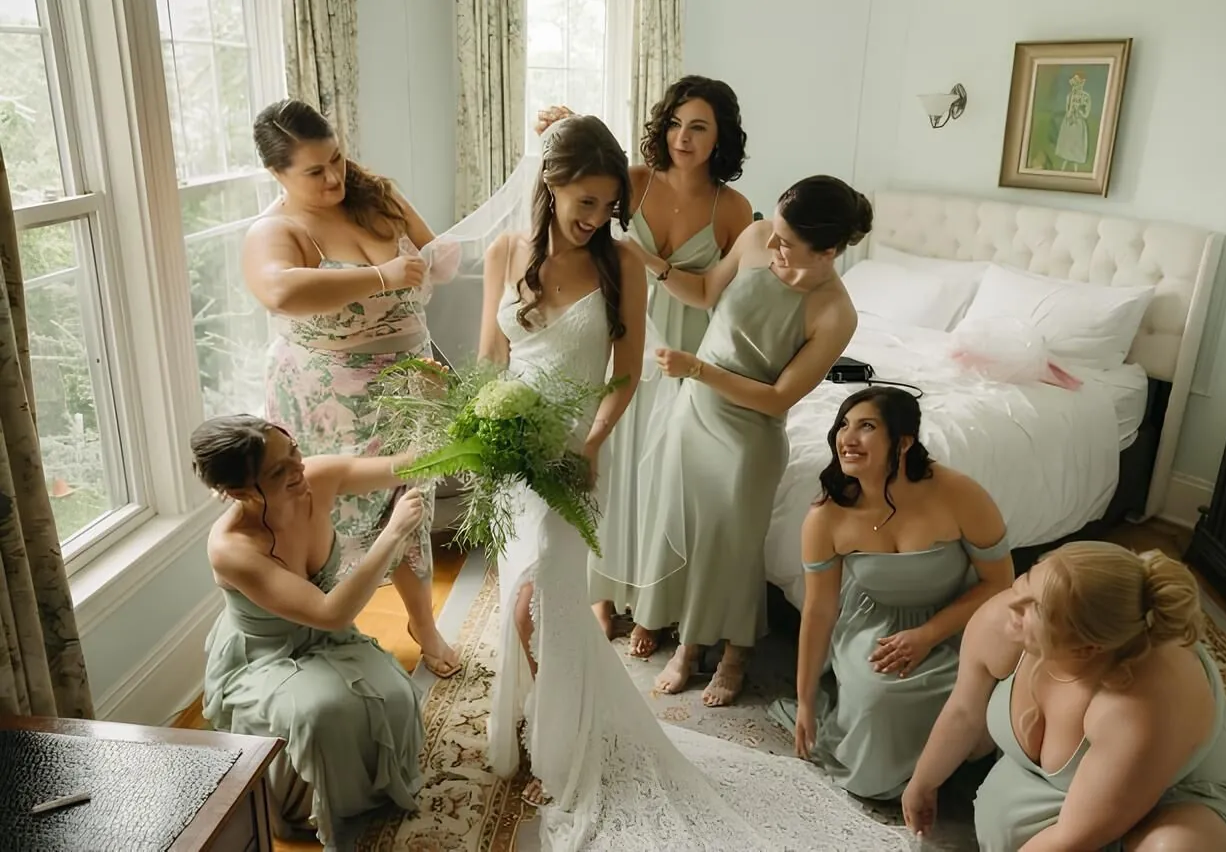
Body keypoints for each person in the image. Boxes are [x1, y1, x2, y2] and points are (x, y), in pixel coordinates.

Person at [482, 115, 909, 852]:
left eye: (606, 207)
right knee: (520, 586)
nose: (594, 219)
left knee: (541, 594)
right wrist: (479, 427)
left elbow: (628, 373)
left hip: (586, 455)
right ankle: (527, 718)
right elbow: (492, 356)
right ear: (549, 186)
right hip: (513, 456)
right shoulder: (505, 251)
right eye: (584, 202)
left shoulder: (621, 266)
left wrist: (590, 442)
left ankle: (562, 735)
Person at [624, 175, 869, 708]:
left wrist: (698, 369)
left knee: (732, 547)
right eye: (774, 231)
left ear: (827, 251)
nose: (771, 244)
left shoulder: (835, 312)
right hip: (695, 412)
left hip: (749, 434)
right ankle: (688, 646)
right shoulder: (758, 237)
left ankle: (737, 653)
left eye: (787, 241)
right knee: (685, 525)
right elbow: (707, 291)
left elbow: (780, 397)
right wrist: (647, 259)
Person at [532, 79, 755, 656]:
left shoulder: (731, 208)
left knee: (664, 478)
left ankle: (655, 606)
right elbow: (584, 195)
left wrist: (647, 259)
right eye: (676, 123)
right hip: (620, 334)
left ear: (720, 136)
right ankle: (602, 595)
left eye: (699, 127)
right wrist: (565, 125)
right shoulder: (633, 180)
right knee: (613, 464)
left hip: (684, 348)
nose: (683, 137)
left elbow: (707, 294)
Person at [241, 98, 458, 678]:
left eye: (336, 159)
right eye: (314, 171)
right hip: (328, 399)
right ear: (276, 174)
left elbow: (441, 255)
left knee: (409, 507)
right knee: (328, 517)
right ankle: (334, 636)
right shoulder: (276, 229)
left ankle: (424, 624)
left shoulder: (373, 194)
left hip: (409, 389)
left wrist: (437, 258)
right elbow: (279, 292)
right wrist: (383, 276)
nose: (334, 176)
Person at [902, 541, 1226, 851]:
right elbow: (964, 712)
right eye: (1027, 581)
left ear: (1086, 648)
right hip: (1091, 784)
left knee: (1172, 848)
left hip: (1180, 797)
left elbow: (1071, 839)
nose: (1012, 606)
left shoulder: (1140, 703)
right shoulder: (1006, 619)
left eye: (1036, 609)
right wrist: (922, 783)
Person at [767, 386, 1014, 799]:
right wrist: (805, 700)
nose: (847, 437)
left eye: (866, 427)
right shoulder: (825, 517)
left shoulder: (959, 493)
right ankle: (903, 771)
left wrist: (927, 635)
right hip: (875, 625)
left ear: (903, 442)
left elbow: (999, 582)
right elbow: (819, 610)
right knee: (879, 697)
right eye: (843, 425)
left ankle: (946, 766)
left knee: (980, 691)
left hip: (957, 619)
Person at [195, 414, 428, 850]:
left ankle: (373, 792)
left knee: (396, 694)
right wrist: (392, 533)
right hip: (266, 654)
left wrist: (458, 438)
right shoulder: (232, 548)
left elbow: (405, 465)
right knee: (321, 714)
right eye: (278, 470)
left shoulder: (313, 477)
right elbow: (330, 611)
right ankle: (305, 810)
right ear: (240, 491)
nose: (299, 468)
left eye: (294, 452)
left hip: (325, 635)